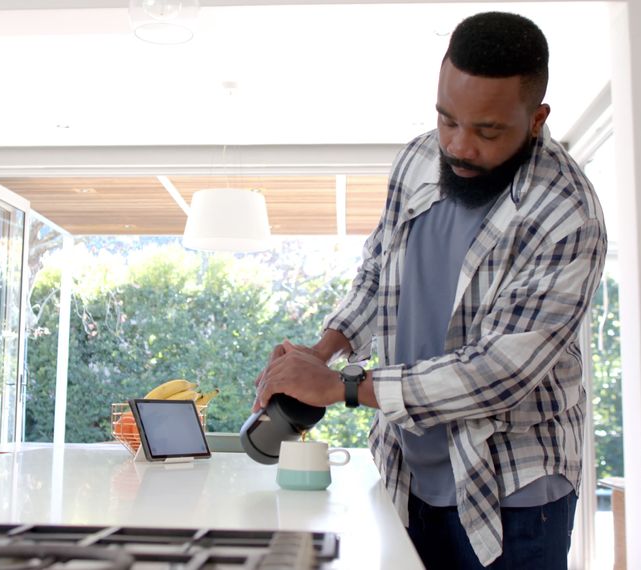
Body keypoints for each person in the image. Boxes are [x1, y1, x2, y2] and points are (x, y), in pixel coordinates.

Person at [252, 11, 607, 569]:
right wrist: (322, 351)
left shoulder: (566, 214)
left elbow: (498, 374)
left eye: (488, 131)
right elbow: (377, 271)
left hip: (513, 492)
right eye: (447, 120)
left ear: (536, 119)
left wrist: (343, 388)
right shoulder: (420, 158)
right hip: (408, 472)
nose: (459, 147)